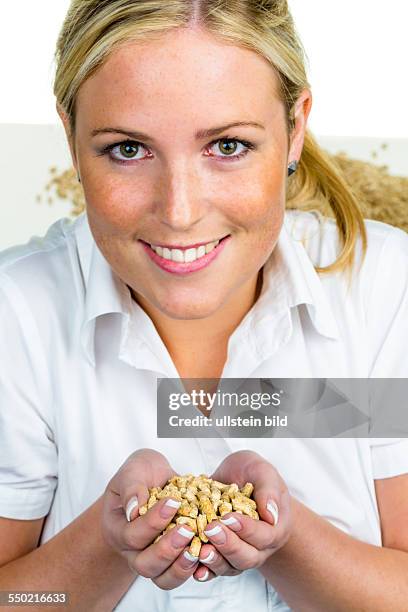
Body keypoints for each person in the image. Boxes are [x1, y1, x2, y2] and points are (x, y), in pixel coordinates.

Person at [1, 0, 408, 610]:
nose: (180, 212)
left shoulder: (381, 290)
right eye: (128, 149)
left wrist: (289, 538)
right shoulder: (18, 314)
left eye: (227, 145)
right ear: (70, 137)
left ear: (295, 128)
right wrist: (106, 543)